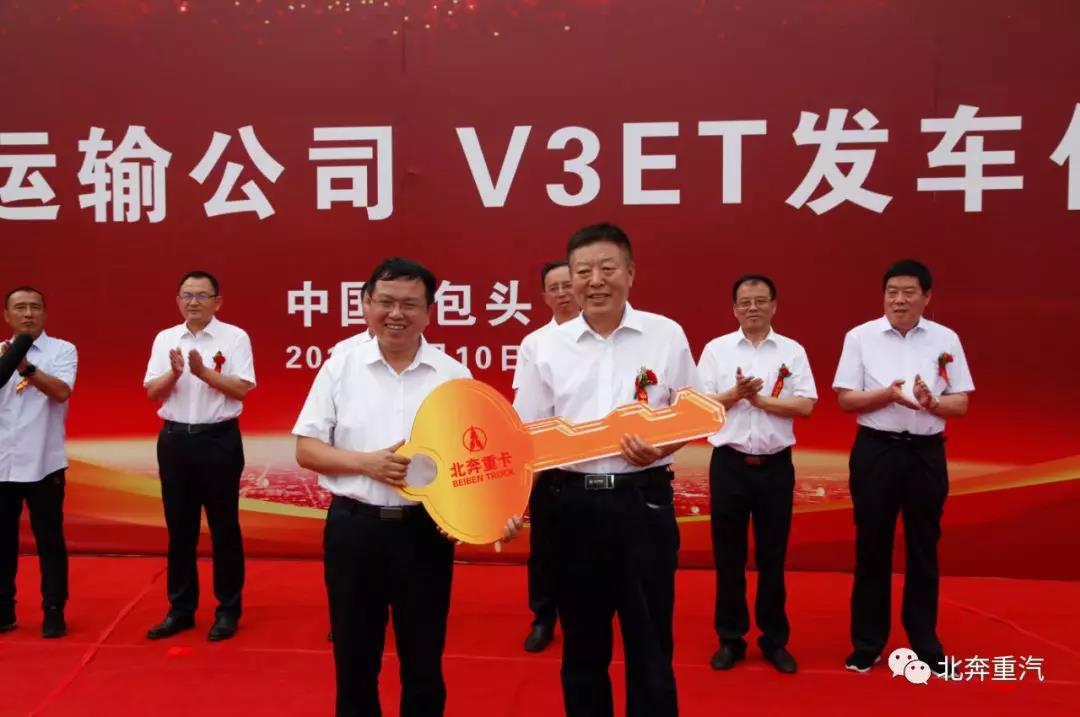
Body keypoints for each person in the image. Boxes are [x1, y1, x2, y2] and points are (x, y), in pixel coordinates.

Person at [294, 257, 519, 717]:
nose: (396, 314)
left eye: (410, 304)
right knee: (355, 659)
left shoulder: (452, 376)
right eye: (386, 302)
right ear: (366, 304)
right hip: (355, 530)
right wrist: (367, 464)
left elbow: (475, 461)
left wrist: (482, 513)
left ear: (430, 312)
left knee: (423, 660)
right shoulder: (341, 367)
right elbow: (307, 449)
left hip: (424, 535)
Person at [514, 224, 699, 717]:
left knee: (650, 641)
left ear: (630, 274)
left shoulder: (665, 335)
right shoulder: (543, 346)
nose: (595, 281)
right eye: (583, 272)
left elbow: (692, 413)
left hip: (643, 502)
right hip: (570, 506)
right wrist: (509, 502)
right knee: (582, 643)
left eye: (607, 268)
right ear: (570, 279)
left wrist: (661, 445)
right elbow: (529, 436)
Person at [833, 259, 973, 676]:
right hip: (877, 450)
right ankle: (867, 643)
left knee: (924, 546)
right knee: (871, 545)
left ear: (926, 297)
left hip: (926, 453)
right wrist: (886, 396)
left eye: (909, 292)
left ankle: (925, 641)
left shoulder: (946, 339)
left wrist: (933, 403)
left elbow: (961, 403)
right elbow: (845, 399)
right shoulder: (860, 336)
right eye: (892, 292)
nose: (899, 300)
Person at [697, 274, 816, 674]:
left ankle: (774, 640)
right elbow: (700, 406)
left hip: (775, 467)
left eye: (760, 301)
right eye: (745, 302)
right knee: (728, 558)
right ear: (734, 308)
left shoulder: (792, 351)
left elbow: (805, 406)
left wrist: (761, 401)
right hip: (729, 465)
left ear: (774, 306)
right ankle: (730, 639)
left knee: (772, 558)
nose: (753, 307)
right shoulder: (716, 350)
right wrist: (735, 395)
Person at [143, 271, 256, 642]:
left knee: (224, 529)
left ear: (217, 302)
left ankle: (228, 610)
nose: (194, 302)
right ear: (178, 300)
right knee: (180, 530)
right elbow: (152, 392)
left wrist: (203, 372)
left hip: (218, 441)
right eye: (187, 295)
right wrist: (175, 374)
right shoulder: (165, 338)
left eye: (202, 295)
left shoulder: (235, 337)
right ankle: (181, 609)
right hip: (175, 441)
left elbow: (241, 388)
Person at [0, 287, 77, 639]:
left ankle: (54, 609)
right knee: (2, 541)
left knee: (49, 540)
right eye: (20, 307)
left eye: (35, 307)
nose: (28, 313)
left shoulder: (62, 350)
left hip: (45, 463)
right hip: (3, 463)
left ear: (45, 313)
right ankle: (4, 609)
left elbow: (61, 392)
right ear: (7, 315)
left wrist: (25, 367)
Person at [513, 259, 580, 653]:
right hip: (548, 464)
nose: (562, 293)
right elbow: (528, 410)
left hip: (586, 460)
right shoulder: (534, 344)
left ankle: (582, 617)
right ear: (544, 297)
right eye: (554, 288)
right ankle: (543, 618)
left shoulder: (599, 338)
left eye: (567, 285)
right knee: (545, 550)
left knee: (585, 550)